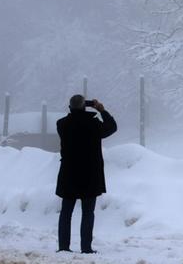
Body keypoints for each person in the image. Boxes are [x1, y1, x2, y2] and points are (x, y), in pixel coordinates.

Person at [55, 95, 117, 254]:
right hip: (90, 174)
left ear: (70, 107)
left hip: (69, 174)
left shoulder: (61, 124)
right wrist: (102, 110)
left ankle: (63, 247)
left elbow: (72, 122)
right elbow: (112, 127)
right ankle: (86, 247)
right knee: (88, 213)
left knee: (66, 212)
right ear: (85, 107)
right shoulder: (94, 124)